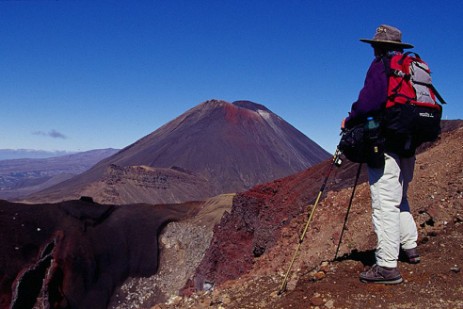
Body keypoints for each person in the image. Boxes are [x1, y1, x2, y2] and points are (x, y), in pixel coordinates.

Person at [342, 24, 421, 284]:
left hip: (386, 143)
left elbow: (368, 102)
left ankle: (387, 266)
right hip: (409, 142)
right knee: (400, 196)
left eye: (375, 45)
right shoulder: (410, 67)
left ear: (378, 46)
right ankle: (410, 247)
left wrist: (351, 118)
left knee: (385, 203)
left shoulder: (382, 65)